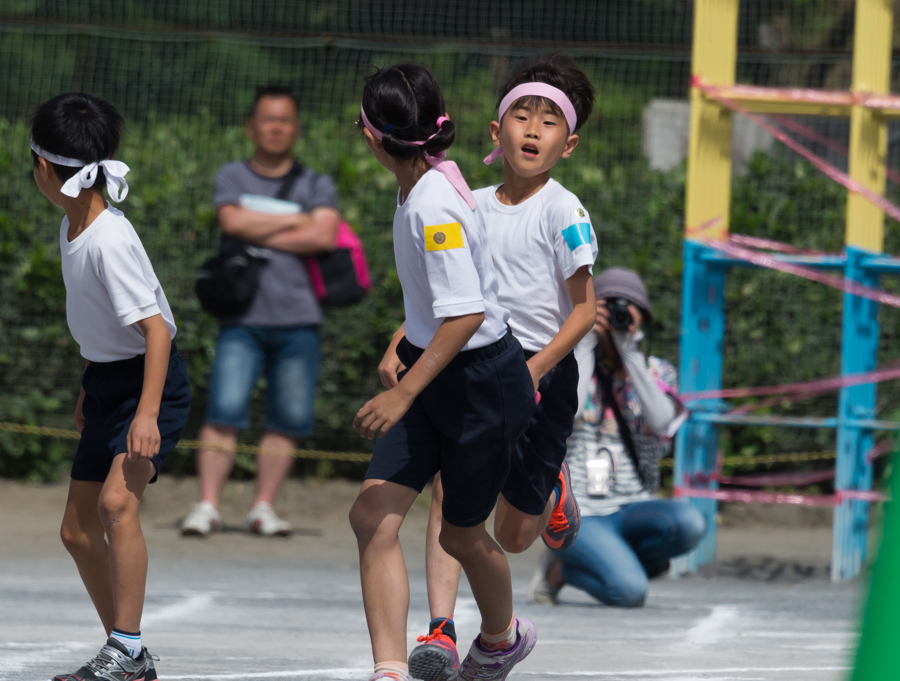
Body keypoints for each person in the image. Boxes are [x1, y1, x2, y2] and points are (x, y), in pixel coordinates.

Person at [405, 52, 598, 681]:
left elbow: (585, 311)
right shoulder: (470, 203)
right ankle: (439, 628)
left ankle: (550, 486)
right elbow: (447, 293)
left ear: (567, 145)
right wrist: (399, 339)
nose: (533, 129)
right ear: (497, 131)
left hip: (544, 371)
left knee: (515, 535)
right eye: (522, 115)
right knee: (449, 491)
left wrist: (539, 366)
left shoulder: (563, 211)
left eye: (548, 122)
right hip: (482, 364)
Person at [347, 64, 538, 681]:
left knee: (459, 535)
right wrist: (407, 336)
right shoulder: (427, 180)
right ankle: (390, 670)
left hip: (481, 383)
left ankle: (503, 637)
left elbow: (467, 313)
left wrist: (405, 388)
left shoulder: (432, 203)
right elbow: (449, 297)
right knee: (371, 517)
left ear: (376, 138)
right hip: (438, 367)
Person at [31, 92, 191, 681]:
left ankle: (124, 648)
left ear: (44, 168)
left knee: (117, 504)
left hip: (151, 384)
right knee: (77, 530)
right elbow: (105, 325)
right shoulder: (74, 223)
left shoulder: (108, 238)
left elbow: (156, 332)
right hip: (108, 378)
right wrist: (88, 382)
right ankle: (128, 652)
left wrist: (145, 415)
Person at [181, 85, 341, 537]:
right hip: (241, 319)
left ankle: (262, 508)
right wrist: (297, 219)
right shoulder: (231, 174)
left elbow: (325, 237)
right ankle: (208, 506)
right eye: (268, 119)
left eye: (285, 119)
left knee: (287, 419)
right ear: (251, 127)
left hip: (299, 318)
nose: (276, 127)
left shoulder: (317, 182)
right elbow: (231, 222)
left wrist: (258, 230)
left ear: (296, 127)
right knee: (223, 412)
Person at [528, 267, 707, 608]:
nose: (619, 315)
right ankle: (559, 571)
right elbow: (571, 411)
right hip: (579, 510)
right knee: (629, 591)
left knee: (690, 523)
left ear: (643, 317)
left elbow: (662, 419)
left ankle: (592, 562)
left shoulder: (658, 371)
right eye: (609, 307)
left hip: (635, 506)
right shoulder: (571, 363)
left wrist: (629, 353)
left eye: (629, 308)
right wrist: (583, 338)